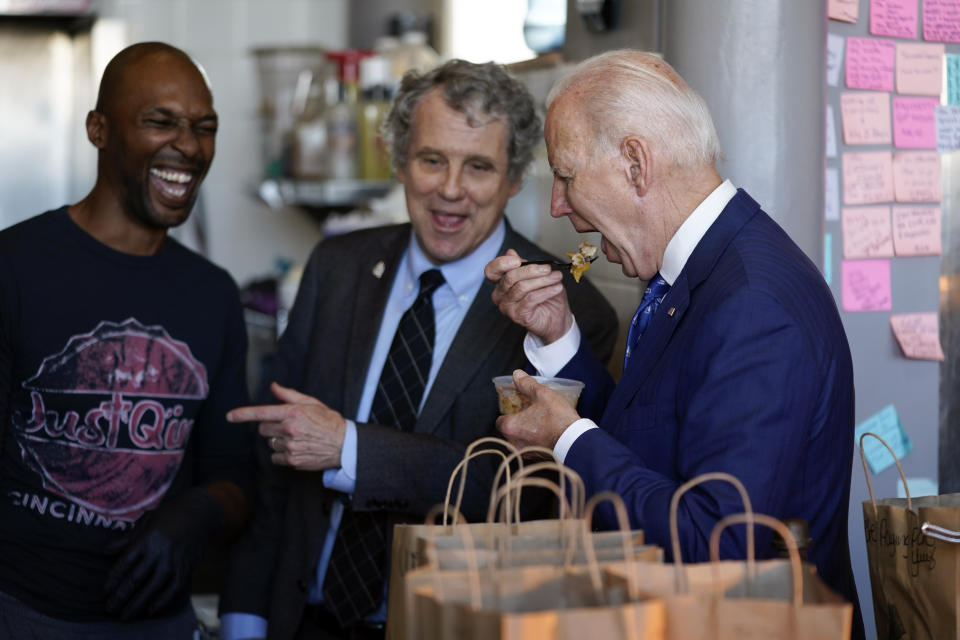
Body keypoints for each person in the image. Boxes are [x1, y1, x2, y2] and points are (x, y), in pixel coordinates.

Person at [218, 59, 618, 640]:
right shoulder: (337, 267)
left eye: (478, 166)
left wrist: (349, 447)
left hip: (445, 624)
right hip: (300, 619)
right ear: (400, 160)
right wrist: (243, 622)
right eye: (432, 159)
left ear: (512, 179)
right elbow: (274, 472)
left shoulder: (565, 310)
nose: (450, 190)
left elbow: (522, 494)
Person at [486, 49, 865, 638]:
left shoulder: (751, 304)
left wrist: (567, 439)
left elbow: (715, 542)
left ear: (636, 164)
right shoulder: (696, 270)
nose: (558, 206)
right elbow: (653, 442)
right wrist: (559, 336)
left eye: (565, 175)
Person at [0, 42, 253, 638]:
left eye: (204, 127)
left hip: (158, 623)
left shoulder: (212, 295)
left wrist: (194, 514)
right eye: (160, 122)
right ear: (99, 130)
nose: (188, 146)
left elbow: (237, 476)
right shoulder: (14, 266)